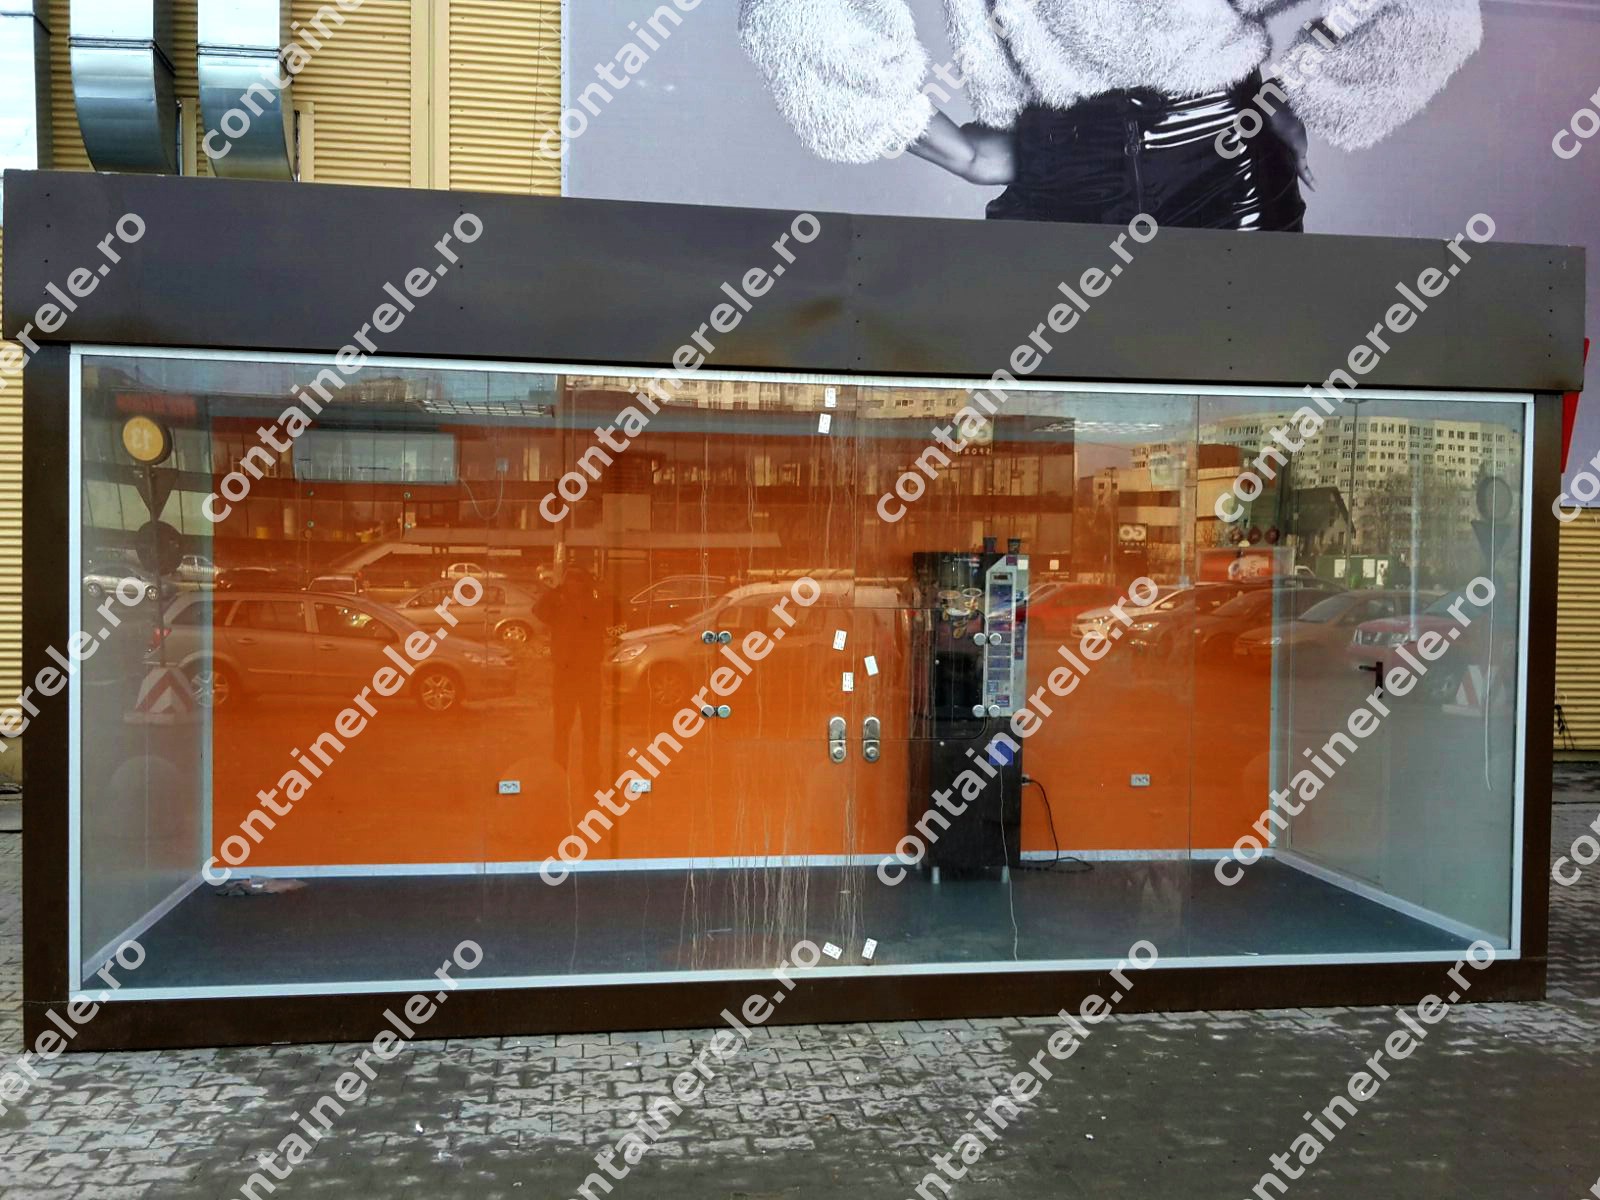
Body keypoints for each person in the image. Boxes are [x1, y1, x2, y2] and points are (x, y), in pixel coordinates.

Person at [739, 0, 1481, 231]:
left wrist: (1298, 86)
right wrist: (957, 152)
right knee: (1045, 434)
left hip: (1227, 175)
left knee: (1244, 421)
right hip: (1063, 173)